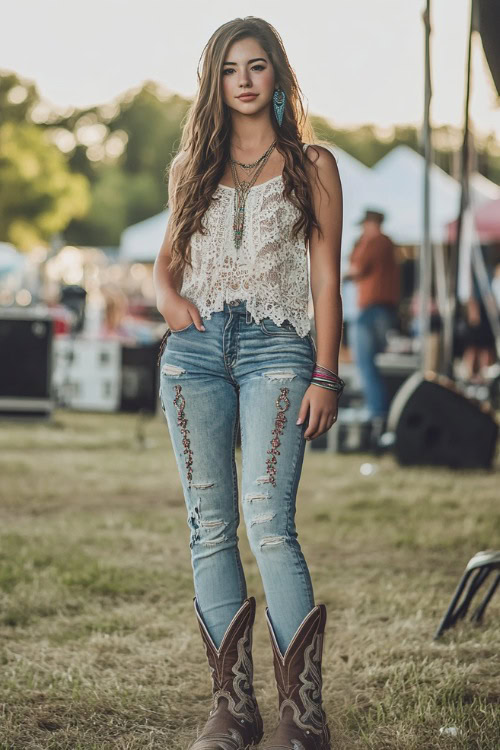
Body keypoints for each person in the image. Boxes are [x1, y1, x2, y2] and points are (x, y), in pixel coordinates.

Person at [153, 17, 343, 750]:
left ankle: (303, 717)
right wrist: (172, 304)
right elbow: (166, 267)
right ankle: (232, 711)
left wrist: (326, 373)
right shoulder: (190, 167)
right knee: (209, 529)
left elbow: (325, 282)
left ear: (277, 76)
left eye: (257, 65)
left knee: (268, 520)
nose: (243, 79)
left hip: (279, 350)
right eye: (230, 67)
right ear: (215, 81)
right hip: (195, 355)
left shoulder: (313, 164)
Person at [343, 209, 400, 445]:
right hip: (384, 310)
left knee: (365, 365)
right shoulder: (388, 244)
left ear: (370, 223)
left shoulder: (373, 241)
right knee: (375, 366)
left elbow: (356, 268)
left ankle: (376, 415)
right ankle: (381, 416)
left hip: (371, 310)